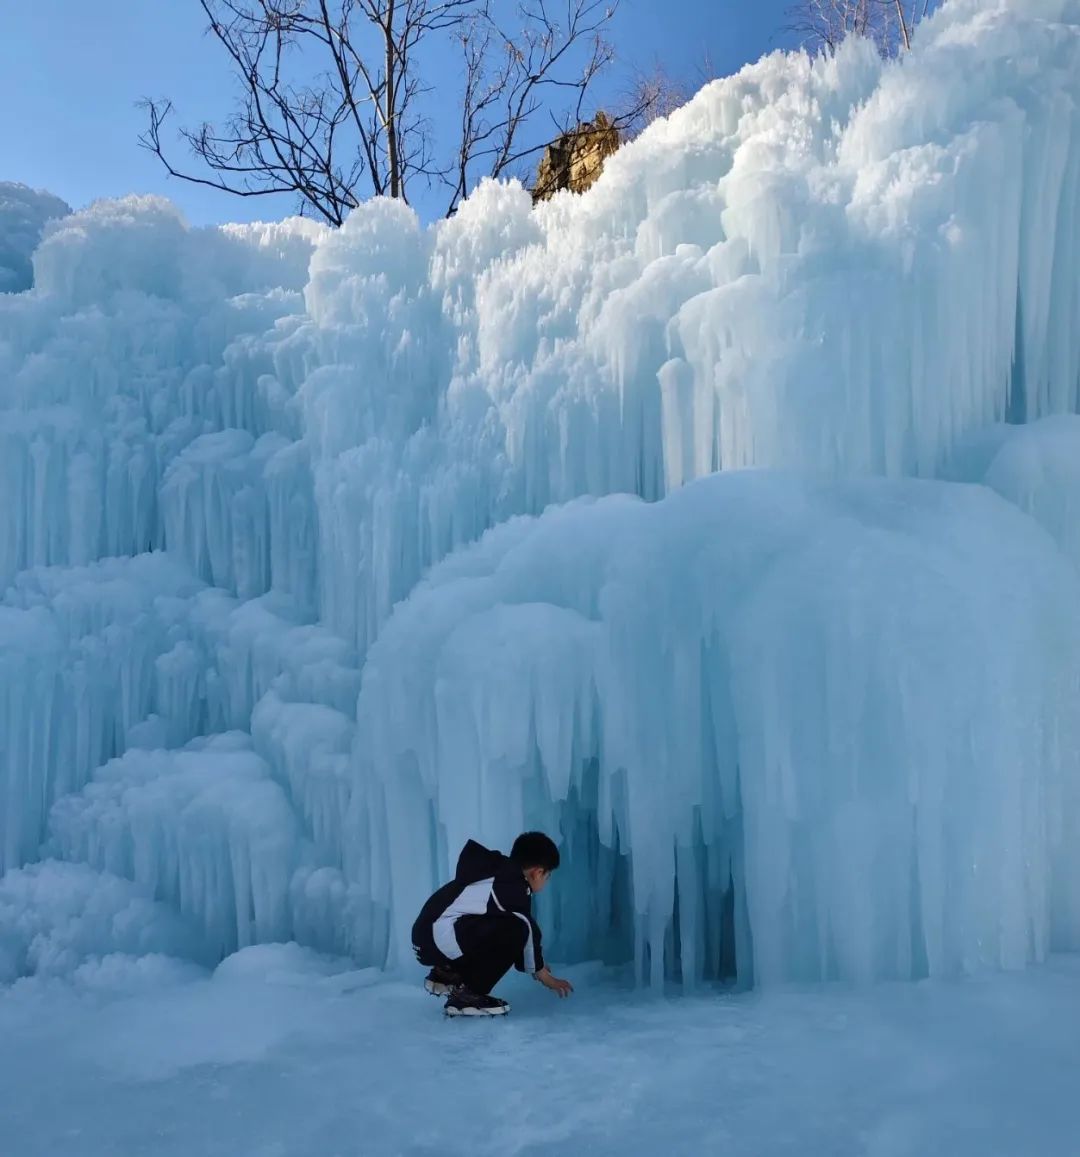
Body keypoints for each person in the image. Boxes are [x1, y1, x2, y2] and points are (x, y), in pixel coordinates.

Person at [411, 831, 574, 1017]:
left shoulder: (498, 875)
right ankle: (468, 996)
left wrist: (537, 962)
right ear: (537, 873)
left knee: (498, 926)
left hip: (427, 938)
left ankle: (446, 974)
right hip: (437, 940)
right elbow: (526, 929)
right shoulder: (512, 885)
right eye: (548, 875)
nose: (546, 880)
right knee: (515, 928)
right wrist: (541, 973)